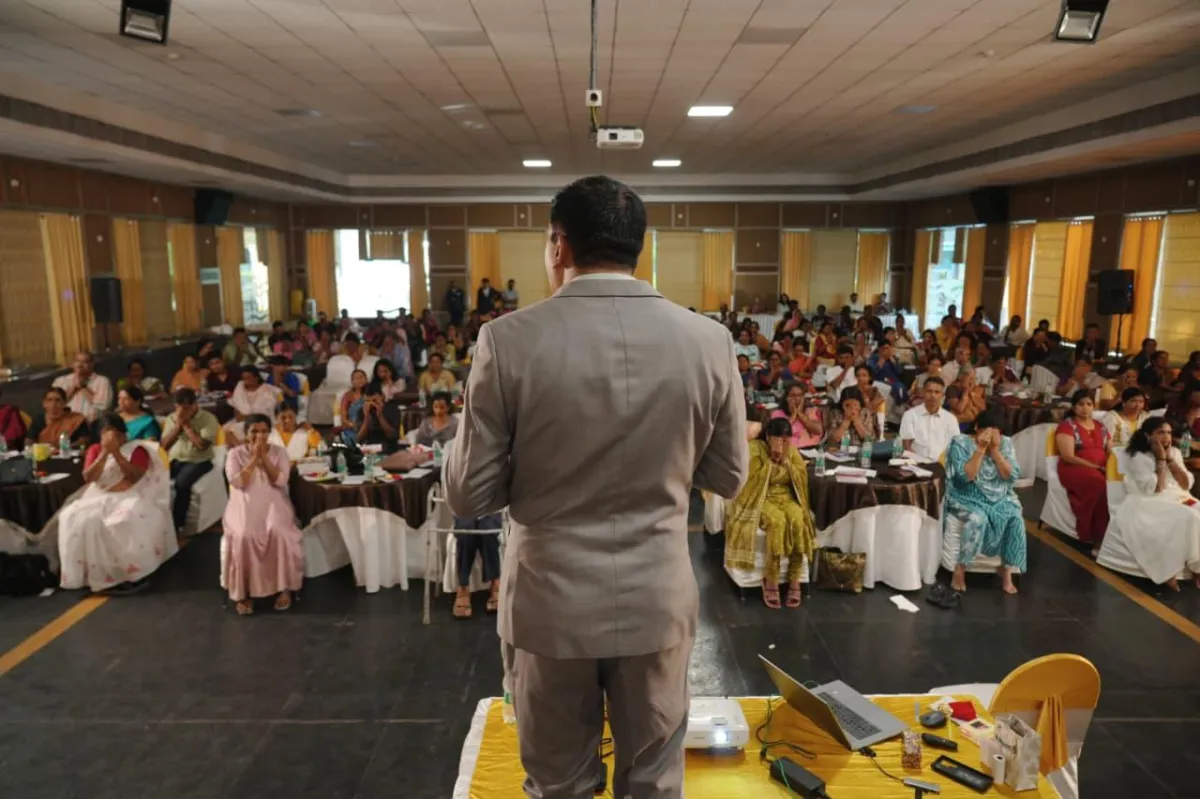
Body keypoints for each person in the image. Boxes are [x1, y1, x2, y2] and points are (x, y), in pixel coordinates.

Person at [445, 175, 747, 799]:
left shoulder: (506, 341)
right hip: (656, 598)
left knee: (559, 786)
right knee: (654, 783)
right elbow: (728, 476)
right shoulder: (708, 341)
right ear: (640, 248)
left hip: (550, 605)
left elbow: (469, 496)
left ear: (558, 246)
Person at [57, 413, 176, 594]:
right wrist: (105, 453)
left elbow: (135, 477)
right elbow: (89, 478)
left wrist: (117, 454)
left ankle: (127, 575)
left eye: (115, 435)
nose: (111, 439)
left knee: (121, 521)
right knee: (71, 517)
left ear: (123, 434)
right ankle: (91, 575)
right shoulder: (95, 450)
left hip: (131, 494)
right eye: (106, 434)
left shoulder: (136, 449)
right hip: (98, 496)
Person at [726, 417, 817, 609]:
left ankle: (794, 579)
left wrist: (786, 463)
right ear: (768, 437)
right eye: (778, 439)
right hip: (762, 498)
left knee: (798, 519)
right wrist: (772, 463)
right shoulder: (755, 449)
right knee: (777, 522)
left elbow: (801, 476)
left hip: (786, 497)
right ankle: (771, 579)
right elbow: (749, 481)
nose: (782, 444)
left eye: (786, 440)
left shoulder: (791, 451)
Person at [223, 413, 304, 615]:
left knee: (278, 532)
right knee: (244, 536)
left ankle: (284, 588)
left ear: (270, 433)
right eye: (254, 431)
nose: (259, 436)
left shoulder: (279, 452)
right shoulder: (235, 454)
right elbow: (238, 482)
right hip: (244, 501)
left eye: (264, 431)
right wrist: (253, 459)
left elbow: (281, 481)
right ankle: (243, 593)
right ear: (246, 433)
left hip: (273, 500)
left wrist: (264, 459)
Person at [944, 410, 1025, 594]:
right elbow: (965, 477)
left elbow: (1010, 476)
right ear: (976, 427)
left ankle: (1006, 572)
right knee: (976, 518)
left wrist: (995, 451)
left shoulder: (1006, 444)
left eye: (997, 430)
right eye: (988, 429)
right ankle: (960, 569)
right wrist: (981, 449)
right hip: (966, 496)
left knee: (1015, 519)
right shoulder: (961, 443)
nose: (992, 434)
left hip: (1000, 496)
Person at [1115, 417, 1200, 590]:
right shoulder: (1137, 456)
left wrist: (1170, 460)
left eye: (1168, 433)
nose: (1166, 437)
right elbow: (1156, 488)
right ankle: (1190, 569)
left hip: (1176, 496)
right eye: (1161, 432)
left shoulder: (1175, 453)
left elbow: (1185, 484)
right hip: (1146, 501)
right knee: (1190, 516)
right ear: (1148, 436)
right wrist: (1160, 459)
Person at [1055, 390, 1112, 554]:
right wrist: (1096, 467)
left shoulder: (1101, 426)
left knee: (1121, 485)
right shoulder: (1067, 426)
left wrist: (1111, 467)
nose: (1085, 408)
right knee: (1101, 487)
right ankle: (1096, 537)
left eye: (1089, 404)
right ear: (1074, 407)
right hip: (1075, 467)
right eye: (1081, 404)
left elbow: (1110, 451)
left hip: (1100, 467)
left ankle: (1116, 536)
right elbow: (1068, 456)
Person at [160, 388, 219, 533]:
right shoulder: (171, 418)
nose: (181, 412)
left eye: (185, 408)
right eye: (178, 408)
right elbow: (164, 445)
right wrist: (177, 427)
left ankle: (177, 523)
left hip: (199, 461)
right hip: (175, 459)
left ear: (194, 405)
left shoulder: (207, 418)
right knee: (154, 479)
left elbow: (202, 446)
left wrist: (186, 426)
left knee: (182, 484)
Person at [898, 377, 959, 461]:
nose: (933, 395)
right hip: (916, 464)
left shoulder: (950, 419)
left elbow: (955, 446)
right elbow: (907, 446)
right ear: (923, 392)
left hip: (942, 465)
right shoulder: (910, 415)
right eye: (929, 391)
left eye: (937, 392)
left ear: (942, 395)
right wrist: (918, 464)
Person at [52, 351, 113, 423]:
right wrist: (73, 388)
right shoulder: (61, 381)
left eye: (84, 362)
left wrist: (83, 387)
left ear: (92, 364)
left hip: (93, 425)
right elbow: (54, 404)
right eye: (77, 361)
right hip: (66, 425)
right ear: (73, 363)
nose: (80, 365)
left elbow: (103, 405)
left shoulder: (102, 381)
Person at [226, 367, 280, 446]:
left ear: (256, 378)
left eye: (248, 378)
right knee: (228, 431)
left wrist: (247, 417)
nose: (245, 380)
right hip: (243, 421)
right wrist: (239, 416)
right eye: (244, 378)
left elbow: (267, 411)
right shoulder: (240, 387)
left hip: (263, 421)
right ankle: (240, 452)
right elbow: (236, 405)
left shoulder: (267, 389)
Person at [349, 380, 401, 453]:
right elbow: (358, 439)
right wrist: (366, 418)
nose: (372, 404)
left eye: (374, 400)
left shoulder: (392, 409)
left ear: (382, 396)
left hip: (388, 448)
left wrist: (380, 416)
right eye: (367, 401)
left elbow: (393, 436)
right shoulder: (361, 411)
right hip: (367, 449)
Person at [771, 383, 823, 449]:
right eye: (793, 395)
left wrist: (799, 413)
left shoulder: (810, 411)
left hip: (809, 449)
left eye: (800, 395)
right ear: (786, 398)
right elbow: (778, 434)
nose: (797, 398)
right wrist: (793, 416)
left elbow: (818, 430)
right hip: (788, 450)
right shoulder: (778, 414)